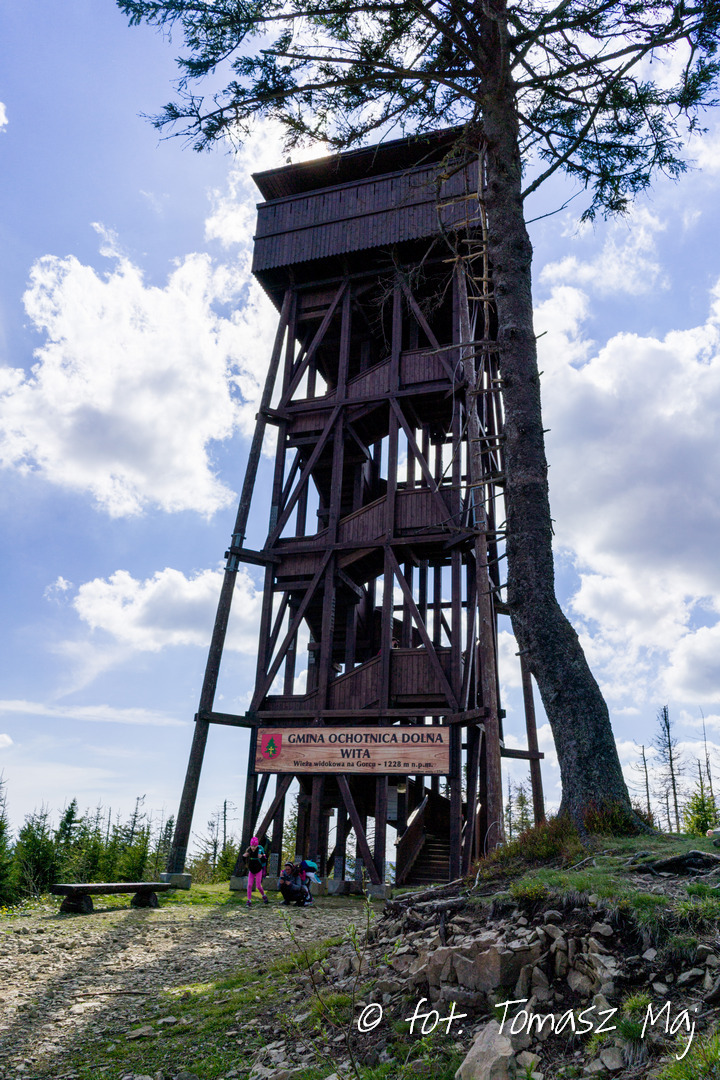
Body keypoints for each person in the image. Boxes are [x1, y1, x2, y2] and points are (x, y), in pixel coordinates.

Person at [242, 836, 268, 907]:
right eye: (252, 846)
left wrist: (261, 857)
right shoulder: (249, 851)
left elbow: (265, 860)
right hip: (251, 870)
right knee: (249, 885)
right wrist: (244, 857)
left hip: (258, 870)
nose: (253, 848)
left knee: (258, 886)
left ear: (257, 846)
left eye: (255, 846)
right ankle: (249, 900)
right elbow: (244, 861)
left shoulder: (260, 850)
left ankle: (264, 895)